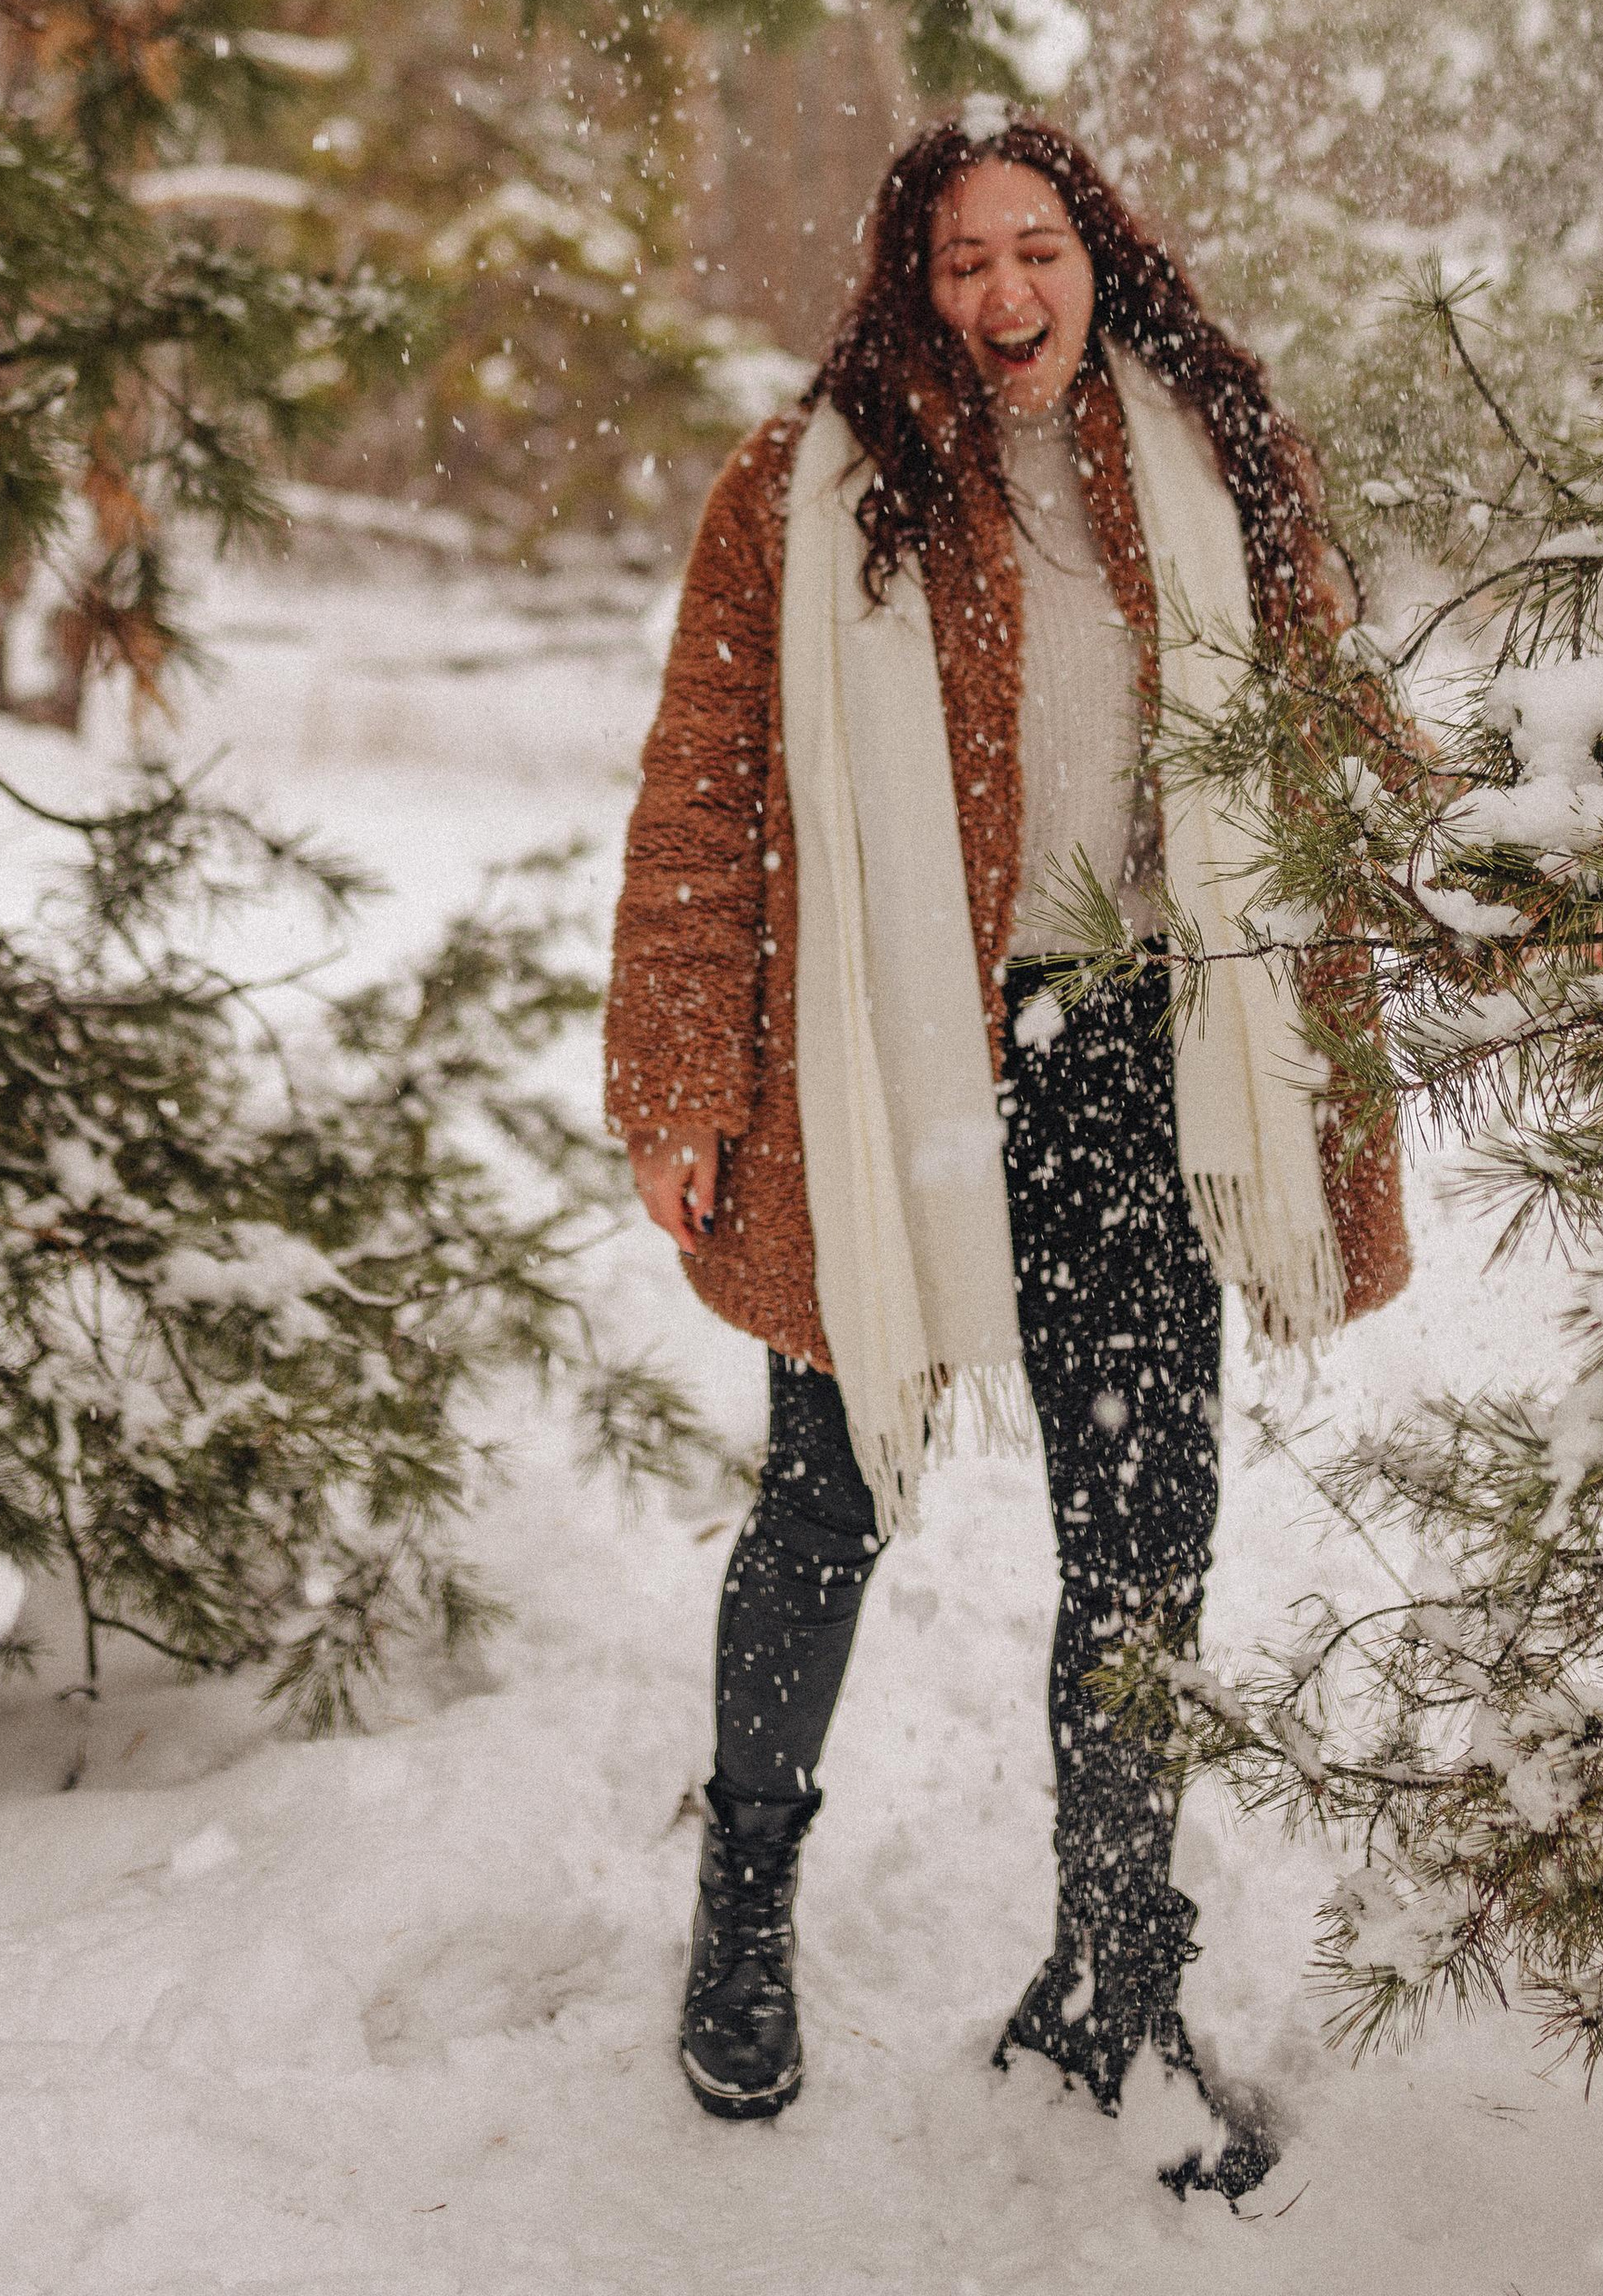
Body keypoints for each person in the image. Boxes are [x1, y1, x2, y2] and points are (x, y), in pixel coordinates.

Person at [604, 107, 1407, 2191]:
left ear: (1094, 254)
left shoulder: (1205, 461)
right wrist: (681, 1070)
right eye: (958, 262)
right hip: (893, 1080)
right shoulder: (804, 488)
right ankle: (744, 1915)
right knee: (824, 1499)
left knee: (1145, 1530)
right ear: (908, 281)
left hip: (1131, 1053)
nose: (1002, 295)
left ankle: (1112, 1972)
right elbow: (701, 788)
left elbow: (1324, 734)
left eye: (1031, 248)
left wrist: (1531, 870)